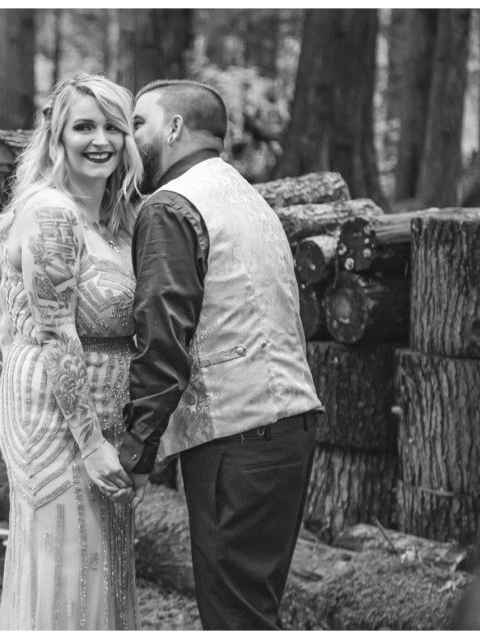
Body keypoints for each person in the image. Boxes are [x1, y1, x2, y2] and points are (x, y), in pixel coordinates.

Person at [118, 79, 323, 630]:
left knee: (235, 618)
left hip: (236, 440)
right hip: (291, 427)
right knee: (254, 609)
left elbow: (162, 335)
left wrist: (137, 453)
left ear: (175, 128)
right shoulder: (245, 196)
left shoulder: (172, 207)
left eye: (139, 122)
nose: (129, 137)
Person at [0, 73, 144, 630]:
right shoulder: (52, 213)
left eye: (113, 127)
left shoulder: (120, 219)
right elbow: (58, 335)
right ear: (56, 137)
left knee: (104, 566)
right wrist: (93, 442)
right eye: (83, 127)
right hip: (57, 415)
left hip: (106, 417)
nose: (100, 140)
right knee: (67, 561)